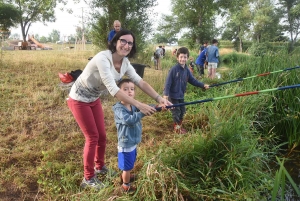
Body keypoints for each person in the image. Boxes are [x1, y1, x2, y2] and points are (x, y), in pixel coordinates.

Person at [67, 29, 171, 190]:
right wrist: (139, 104)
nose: (126, 45)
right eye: (123, 41)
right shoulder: (103, 58)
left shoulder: (125, 64)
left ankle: (100, 167)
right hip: (78, 99)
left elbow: (140, 82)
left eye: (130, 43)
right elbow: (114, 90)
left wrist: (159, 98)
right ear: (115, 41)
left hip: (94, 98)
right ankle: (88, 178)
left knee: (102, 135)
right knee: (92, 137)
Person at [113, 79, 160, 193]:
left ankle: (126, 175)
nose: (129, 92)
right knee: (127, 166)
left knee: (131, 162)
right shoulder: (118, 109)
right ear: (118, 93)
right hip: (126, 143)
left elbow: (145, 106)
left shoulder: (133, 105)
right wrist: (143, 112)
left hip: (133, 141)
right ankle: (126, 185)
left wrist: (156, 106)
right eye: (125, 89)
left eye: (132, 89)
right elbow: (129, 120)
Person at [163, 47, 209, 134]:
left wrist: (203, 85)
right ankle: (176, 129)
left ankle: (179, 126)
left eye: (184, 57)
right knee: (176, 112)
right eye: (181, 57)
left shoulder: (187, 70)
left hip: (180, 95)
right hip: (173, 96)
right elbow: (168, 83)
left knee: (182, 111)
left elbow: (193, 80)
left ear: (187, 58)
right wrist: (165, 96)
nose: (183, 59)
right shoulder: (174, 69)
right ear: (177, 58)